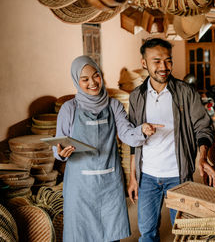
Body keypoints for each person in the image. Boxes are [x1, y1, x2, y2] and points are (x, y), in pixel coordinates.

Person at [54, 55, 162, 242]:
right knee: (82, 236)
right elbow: (58, 145)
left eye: (96, 76)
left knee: (110, 235)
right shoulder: (68, 109)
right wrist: (61, 154)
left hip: (109, 184)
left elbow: (127, 134)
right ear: (76, 81)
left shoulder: (113, 105)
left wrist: (142, 131)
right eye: (85, 79)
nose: (93, 82)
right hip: (80, 189)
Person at [128, 38, 215, 242]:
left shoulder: (185, 92)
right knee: (147, 233)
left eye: (168, 61)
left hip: (178, 176)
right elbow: (133, 139)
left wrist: (202, 158)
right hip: (147, 177)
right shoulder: (137, 97)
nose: (164, 67)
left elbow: (203, 127)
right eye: (157, 61)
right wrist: (133, 177)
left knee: (183, 232)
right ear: (144, 63)